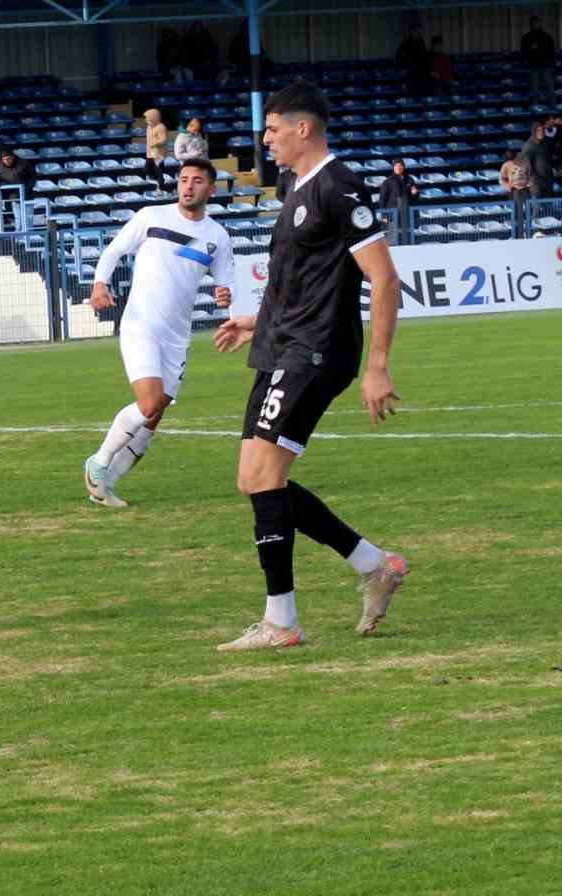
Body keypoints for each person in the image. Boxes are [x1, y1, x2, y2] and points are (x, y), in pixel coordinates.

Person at [211, 82, 408, 652]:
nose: (264, 140)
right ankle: (376, 564)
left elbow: (384, 278)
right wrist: (256, 320)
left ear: (303, 129)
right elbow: (296, 275)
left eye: (271, 130)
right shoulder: (295, 185)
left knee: (263, 478)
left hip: (314, 351)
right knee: (255, 480)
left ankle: (283, 623)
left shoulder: (340, 187)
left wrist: (378, 365)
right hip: (281, 344)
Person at [83, 158, 234, 508]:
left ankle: (105, 487)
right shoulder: (151, 216)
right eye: (183, 179)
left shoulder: (217, 237)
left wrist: (225, 296)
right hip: (141, 324)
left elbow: (226, 284)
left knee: (155, 414)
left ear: (211, 189)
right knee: (149, 402)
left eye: (197, 181)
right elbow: (115, 250)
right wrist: (99, 284)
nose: (188, 186)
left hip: (177, 336)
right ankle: (99, 462)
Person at [521, 17, 557, 105]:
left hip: (545, 66)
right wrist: (530, 49)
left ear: (540, 24)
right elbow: (523, 52)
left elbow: (552, 50)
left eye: (537, 23)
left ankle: (553, 106)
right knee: (534, 88)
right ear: (530, 25)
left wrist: (550, 62)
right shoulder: (526, 37)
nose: (535, 25)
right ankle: (536, 107)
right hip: (533, 66)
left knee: (549, 87)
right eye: (533, 24)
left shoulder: (547, 36)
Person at [377, 159, 417, 235]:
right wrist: (384, 215)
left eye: (400, 165)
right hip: (392, 213)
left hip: (406, 211)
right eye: (396, 166)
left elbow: (414, 198)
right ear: (393, 167)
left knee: (406, 235)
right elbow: (382, 200)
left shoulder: (409, 180)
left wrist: (415, 193)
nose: (398, 167)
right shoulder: (388, 181)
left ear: (403, 167)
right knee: (392, 236)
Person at [396, 24, 430, 96]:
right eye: (416, 31)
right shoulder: (406, 43)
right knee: (411, 93)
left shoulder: (421, 42)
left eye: (419, 31)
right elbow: (399, 57)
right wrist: (403, 68)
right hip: (410, 73)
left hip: (421, 72)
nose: (418, 33)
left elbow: (424, 57)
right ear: (411, 32)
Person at [521, 122, 551, 198]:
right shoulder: (529, 146)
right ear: (534, 131)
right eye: (538, 130)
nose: (541, 132)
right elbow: (526, 166)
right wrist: (532, 180)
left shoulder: (545, 143)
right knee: (537, 207)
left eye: (543, 130)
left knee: (548, 207)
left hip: (547, 180)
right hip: (535, 183)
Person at [500, 148, 532, 220]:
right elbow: (501, 179)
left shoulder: (525, 162)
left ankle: (526, 225)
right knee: (515, 210)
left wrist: (529, 184)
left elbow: (530, 174)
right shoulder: (506, 165)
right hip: (513, 190)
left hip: (525, 189)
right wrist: (507, 186)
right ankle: (516, 227)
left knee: (527, 209)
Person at [143, 109, 169, 192]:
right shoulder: (149, 127)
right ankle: (156, 180)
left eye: (148, 119)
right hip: (150, 153)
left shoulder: (161, 127)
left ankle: (161, 187)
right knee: (147, 169)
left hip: (158, 154)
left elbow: (163, 139)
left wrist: (155, 143)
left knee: (159, 170)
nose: (146, 121)